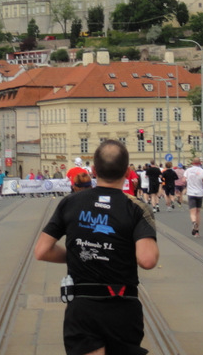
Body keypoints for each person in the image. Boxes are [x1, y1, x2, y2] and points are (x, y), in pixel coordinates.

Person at [34, 139, 158, 355]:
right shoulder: (137, 208)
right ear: (128, 171)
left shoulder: (70, 203)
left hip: (82, 305)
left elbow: (42, 250)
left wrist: (78, 253)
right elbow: (147, 260)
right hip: (122, 303)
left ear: (93, 170)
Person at [184, 158, 203, 237]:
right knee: (198, 212)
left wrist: (187, 182)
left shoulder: (188, 171)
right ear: (200, 163)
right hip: (199, 193)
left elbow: (184, 180)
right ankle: (197, 231)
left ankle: (194, 222)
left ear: (192, 163)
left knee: (192, 212)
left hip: (191, 193)